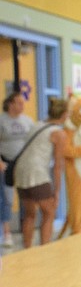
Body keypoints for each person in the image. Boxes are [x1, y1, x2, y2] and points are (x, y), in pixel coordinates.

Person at [14, 97, 68, 247]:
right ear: (64, 114)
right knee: (49, 212)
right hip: (37, 174)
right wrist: (57, 192)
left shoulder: (36, 125)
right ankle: (45, 249)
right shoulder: (59, 133)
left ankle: (27, 249)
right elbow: (58, 165)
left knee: (30, 213)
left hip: (20, 172)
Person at [0, 91, 34, 247]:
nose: (22, 106)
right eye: (19, 103)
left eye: (23, 102)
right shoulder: (2, 121)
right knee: (7, 198)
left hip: (24, 164)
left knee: (28, 196)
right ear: (11, 104)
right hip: (6, 163)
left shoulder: (28, 121)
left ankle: (28, 229)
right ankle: (6, 232)